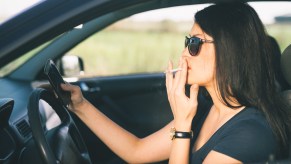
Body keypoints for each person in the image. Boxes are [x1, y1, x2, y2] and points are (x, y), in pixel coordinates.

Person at [60, 2, 290, 163]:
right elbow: (136, 151)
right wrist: (80, 105)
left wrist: (182, 124)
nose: (184, 53)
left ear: (231, 50)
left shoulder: (251, 133)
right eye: (186, 41)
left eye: (195, 43)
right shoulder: (207, 110)